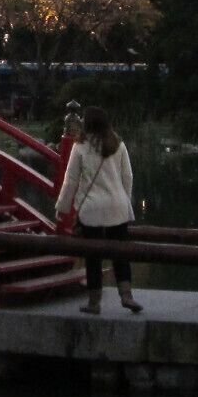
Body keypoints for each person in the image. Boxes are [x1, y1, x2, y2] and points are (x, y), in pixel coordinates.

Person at [56, 108, 141, 315]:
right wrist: (124, 200)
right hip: (117, 207)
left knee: (93, 256)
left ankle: (94, 302)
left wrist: (62, 207)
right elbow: (127, 176)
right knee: (120, 252)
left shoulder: (80, 147)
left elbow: (71, 181)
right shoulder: (118, 145)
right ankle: (127, 295)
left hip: (92, 209)